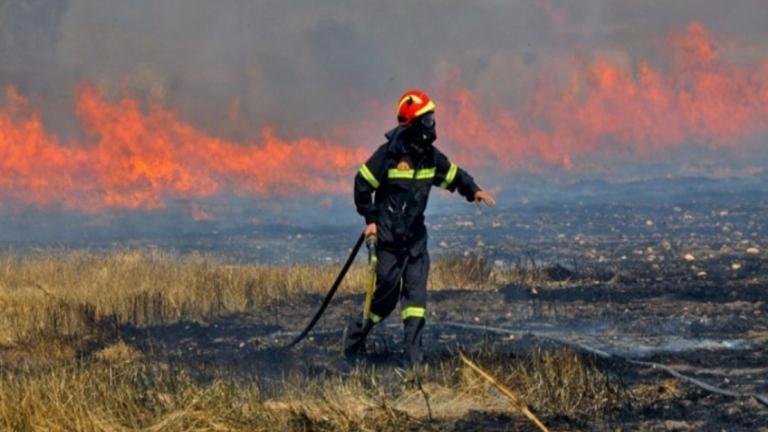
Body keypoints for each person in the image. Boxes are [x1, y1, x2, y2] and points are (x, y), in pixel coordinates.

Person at [344, 89, 495, 366]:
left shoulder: (430, 157)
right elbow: (362, 184)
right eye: (426, 120)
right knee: (383, 302)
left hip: (415, 242)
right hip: (389, 242)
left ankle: (414, 365)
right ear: (412, 124)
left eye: (432, 118)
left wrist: (473, 190)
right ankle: (354, 342)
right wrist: (371, 221)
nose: (431, 125)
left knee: (416, 302)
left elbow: (452, 174)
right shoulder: (388, 155)